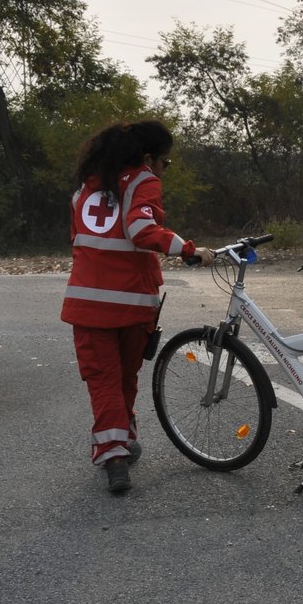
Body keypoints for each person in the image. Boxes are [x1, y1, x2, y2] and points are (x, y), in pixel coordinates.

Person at [61, 120, 200, 494]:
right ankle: (118, 446)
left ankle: (115, 451)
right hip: (134, 302)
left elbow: (79, 240)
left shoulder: (85, 187)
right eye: (165, 163)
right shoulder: (143, 180)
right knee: (124, 377)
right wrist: (187, 248)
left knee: (103, 381)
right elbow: (140, 230)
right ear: (148, 158)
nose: (163, 171)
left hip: (87, 305)